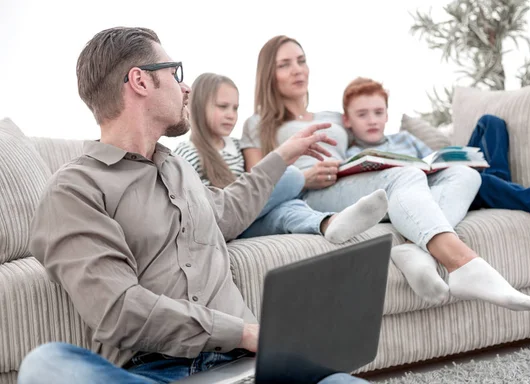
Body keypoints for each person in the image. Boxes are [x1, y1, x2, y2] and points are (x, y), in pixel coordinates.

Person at [17, 27, 369, 384]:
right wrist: (244, 332)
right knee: (47, 365)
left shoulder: (180, 170)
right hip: (158, 373)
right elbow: (119, 311)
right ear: (139, 81)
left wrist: (282, 156)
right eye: (175, 73)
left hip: (251, 367)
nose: (186, 89)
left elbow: (229, 210)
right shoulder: (75, 189)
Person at [240, 35, 530, 311]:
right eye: (284, 65)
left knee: (465, 175)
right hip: (311, 193)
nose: (297, 70)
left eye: (301, 61)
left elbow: (373, 143)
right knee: (404, 177)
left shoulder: (333, 116)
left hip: (347, 183)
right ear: (269, 75)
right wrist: (304, 178)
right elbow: (258, 188)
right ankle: (464, 264)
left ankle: (417, 252)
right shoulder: (258, 124)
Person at [341, 77, 530, 305]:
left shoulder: (405, 139)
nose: (372, 119)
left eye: (378, 112)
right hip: (429, 200)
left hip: (450, 185)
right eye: (362, 114)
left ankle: (498, 187)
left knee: (490, 124)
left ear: (387, 115)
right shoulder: (352, 156)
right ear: (347, 120)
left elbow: (431, 161)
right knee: (484, 182)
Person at [173, 72, 388, 242]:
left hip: (250, 221)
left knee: (287, 211)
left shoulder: (237, 148)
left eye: (235, 108)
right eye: (223, 107)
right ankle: (313, 195)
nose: (231, 114)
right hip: (222, 221)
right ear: (199, 107)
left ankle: (330, 223)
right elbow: (197, 206)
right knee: (292, 176)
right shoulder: (188, 153)